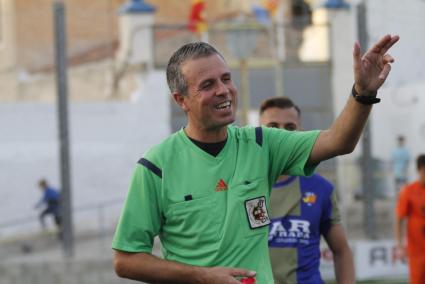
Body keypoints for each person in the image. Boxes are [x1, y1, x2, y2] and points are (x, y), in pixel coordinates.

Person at [112, 34, 399, 284]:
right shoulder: (156, 166)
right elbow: (126, 260)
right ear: (181, 100)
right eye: (208, 84)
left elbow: (338, 141)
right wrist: (200, 276)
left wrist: (363, 93)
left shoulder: (262, 144)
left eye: (226, 79)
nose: (223, 90)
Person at [259, 97, 354, 284]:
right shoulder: (241, 186)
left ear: (301, 132)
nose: (281, 134)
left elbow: (341, 250)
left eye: (290, 128)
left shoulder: (321, 188)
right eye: (272, 126)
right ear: (258, 133)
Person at [395, 154, 425, 284]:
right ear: (420, 169)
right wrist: (400, 246)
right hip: (417, 250)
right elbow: (399, 219)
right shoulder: (409, 191)